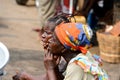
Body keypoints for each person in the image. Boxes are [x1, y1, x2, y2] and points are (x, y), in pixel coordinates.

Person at [13, 15, 109, 80]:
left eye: (53, 38)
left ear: (65, 46)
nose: (48, 39)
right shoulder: (77, 55)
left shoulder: (76, 65)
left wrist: (50, 69)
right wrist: (54, 68)